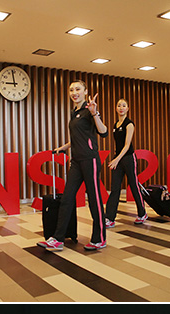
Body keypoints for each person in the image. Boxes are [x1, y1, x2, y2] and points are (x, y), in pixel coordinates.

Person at [37, 80, 108, 252]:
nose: (74, 92)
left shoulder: (89, 110)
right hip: (76, 161)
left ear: (85, 91)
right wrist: (64, 147)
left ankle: (99, 238)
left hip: (90, 159)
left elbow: (103, 132)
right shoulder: (74, 112)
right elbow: (79, 136)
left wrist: (95, 113)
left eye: (78, 89)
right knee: (67, 198)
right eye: (71, 90)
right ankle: (58, 238)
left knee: (94, 199)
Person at [105, 99, 147, 227]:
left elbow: (127, 145)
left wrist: (117, 159)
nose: (121, 108)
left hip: (128, 158)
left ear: (128, 108)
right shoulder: (115, 125)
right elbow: (117, 145)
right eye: (119, 105)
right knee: (115, 189)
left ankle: (142, 213)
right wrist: (116, 158)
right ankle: (110, 218)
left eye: (124, 106)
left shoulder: (129, 124)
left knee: (134, 185)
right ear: (116, 108)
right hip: (118, 159)